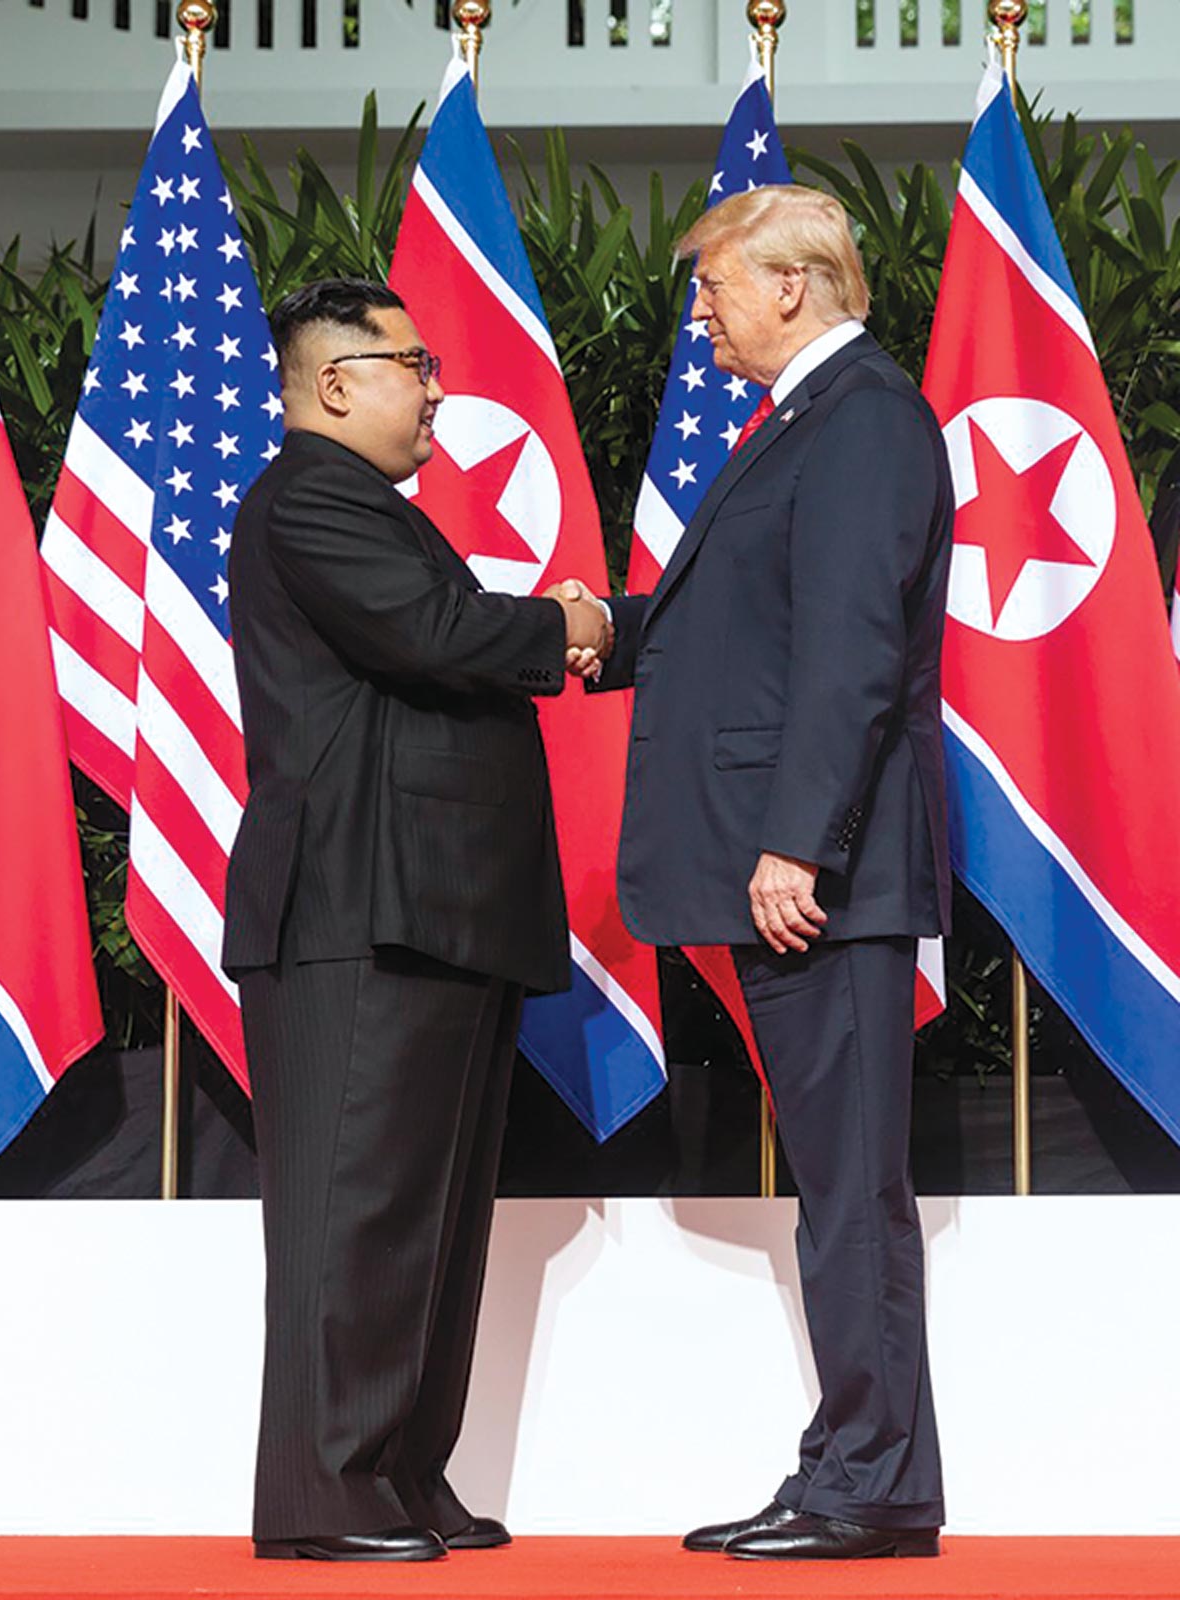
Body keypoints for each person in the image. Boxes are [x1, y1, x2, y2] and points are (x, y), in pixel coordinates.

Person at [565, 185, 954, 1560]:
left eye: (716, 285)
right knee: (840, 1182)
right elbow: (745, 627)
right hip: (788, 862)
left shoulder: (862, 420)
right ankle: (857, 1464)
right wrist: (601, 631)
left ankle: (873, 1482)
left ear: (793, 284)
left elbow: (851, 650)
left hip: (816, 874)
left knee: (850, 1187)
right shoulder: (811, 419)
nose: (702, 310)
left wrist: (799, 839)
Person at [222, 277, 610, 1563]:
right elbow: (435, 634)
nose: (435, 385)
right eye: (413, 362)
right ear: (335, 383)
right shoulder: (313, 495)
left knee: (429, 1216)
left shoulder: (362, 506)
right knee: (357, 1212)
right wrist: (562, 623)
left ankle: (397, 1475)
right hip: (357, 907)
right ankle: (329, 1495)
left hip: (428, 906)